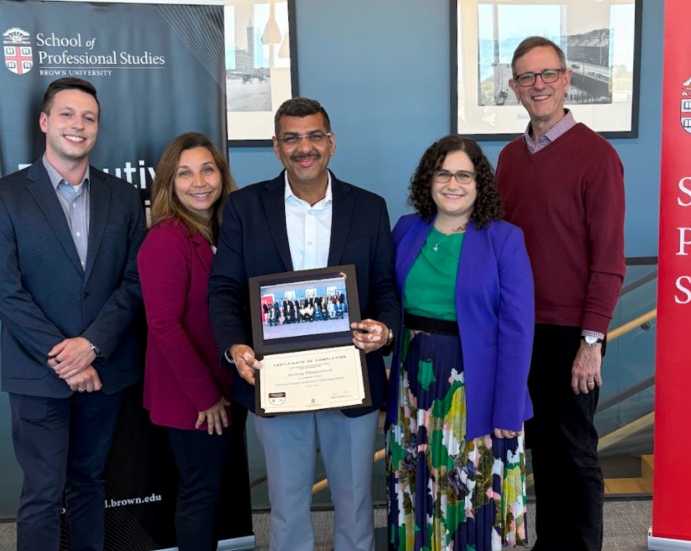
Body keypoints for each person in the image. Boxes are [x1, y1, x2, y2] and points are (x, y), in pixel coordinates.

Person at [208, 97, 400, 551]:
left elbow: (387, 288)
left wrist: (385, 331)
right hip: (276, 377)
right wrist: (235, 347)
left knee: (354, 503)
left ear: (331, 142)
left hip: (350, 378)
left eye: (314, 136)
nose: (304, 147)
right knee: (288, 506)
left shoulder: (369, 207)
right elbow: (223, 291)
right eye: (291, 138)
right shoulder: (243, 208)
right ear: (276, 147)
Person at [0, 77, 145, 551]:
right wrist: (66, 359)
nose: (79, 125)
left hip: (105, 370)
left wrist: (90, 348)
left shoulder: (124, 197)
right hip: (38, 374)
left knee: (90, 482)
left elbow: (133, 283)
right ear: (45, 122)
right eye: (68, 114)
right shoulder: (3, 196)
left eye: (89, 118)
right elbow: (4, 291)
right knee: (43, 493)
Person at [495, 36, 626, 551]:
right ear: (514, 88)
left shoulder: (597, 156)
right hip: (519, 327)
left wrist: (591, 340)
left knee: (572, 453)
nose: (538, 85)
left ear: (568, 78)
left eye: (548, 74)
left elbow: (609, 259)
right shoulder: (508, 159)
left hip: (572, 333)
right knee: (532, 449)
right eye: (527, 77)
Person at [386, 135, 535, 550]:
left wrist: (508, 407)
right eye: (443, 173)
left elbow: (518, 329)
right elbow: (386, 303)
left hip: (474, 387)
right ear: (428, 180)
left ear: (479, 182)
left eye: (464, 175)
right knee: (413, 489)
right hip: (410, 384)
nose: (453, 183)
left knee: (464, 494)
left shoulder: (504, 238)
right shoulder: (405, 230)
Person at [137, 132, 238, 551]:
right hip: (192, 399)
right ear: (169, 183)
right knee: (199, 494)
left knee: (213, 492)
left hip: (227, 387)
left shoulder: (225, 230)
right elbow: (164, 326)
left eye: (207, 169)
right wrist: (206, 398)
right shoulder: (165, 238)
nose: (199, 182)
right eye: (185, 173)